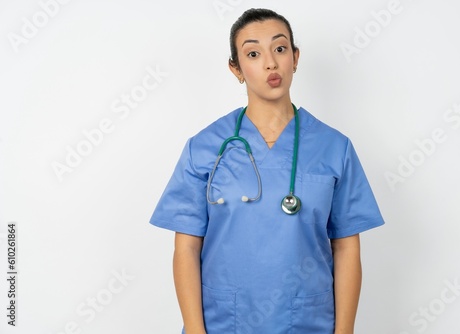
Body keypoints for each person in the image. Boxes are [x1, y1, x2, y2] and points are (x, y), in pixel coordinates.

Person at [150, 8, 384, 334]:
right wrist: (194, 329)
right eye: (253, 53)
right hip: (225, 323)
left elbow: (346, 247)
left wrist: (344, 332)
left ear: (295, 58)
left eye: (280, 48)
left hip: (308, 323)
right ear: (237, 69)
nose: (271, 63)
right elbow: (186, 247)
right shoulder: (204, 148)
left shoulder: (334, 147)